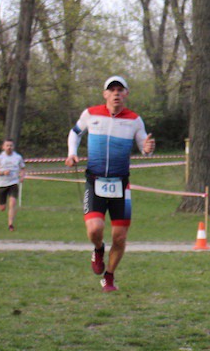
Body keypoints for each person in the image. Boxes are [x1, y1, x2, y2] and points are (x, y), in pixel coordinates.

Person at [65, 76, 155, 292]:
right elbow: (75, 133)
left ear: (126, 94)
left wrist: (147, 148)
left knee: (120, 237)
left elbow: (143, 145)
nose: (116, 93)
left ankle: (109, 276)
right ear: (105, 94)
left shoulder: (134, 120)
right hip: (95, 181)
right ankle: (98, 249)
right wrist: (71, 153)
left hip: (120, 184)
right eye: (112, 90)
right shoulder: (91, 113)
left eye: (120, 90)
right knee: (95, 229)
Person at [0, 139, 25, 232]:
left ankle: (10, 224)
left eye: (11, 145)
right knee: (2, 208)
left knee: (12, 203)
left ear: (13, 147)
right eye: (7, 145)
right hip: (2, 184)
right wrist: (2, 173)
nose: (9, 147)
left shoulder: (18, 157)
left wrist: (22, 176)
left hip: (13, 183)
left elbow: (22, 168)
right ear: (3, 147)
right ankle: (0, 203)